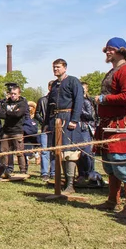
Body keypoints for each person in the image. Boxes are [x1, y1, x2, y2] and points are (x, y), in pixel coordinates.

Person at [93, 37, 126, 217]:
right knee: (110, 166)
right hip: (108, 125)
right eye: (106, 49)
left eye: (111, 49)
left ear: (121, 50)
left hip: (120, 123)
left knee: (123, 164)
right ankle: (112, 200)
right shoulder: (113, 71)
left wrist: (104, 99)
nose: (107, 52)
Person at [45, 59, 85, 194]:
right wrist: (46, 123)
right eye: (54, 67)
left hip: (68, 119)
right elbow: (49, 106)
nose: (55, 69)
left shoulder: (73, 81)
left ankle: (70, 184)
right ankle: (62, 181)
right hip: (55, 120)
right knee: (59, 152)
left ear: (65, 68)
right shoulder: (55, 85)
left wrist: (74, 120)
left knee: (70, 152)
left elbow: (79, 101)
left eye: (58, 67)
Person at [0, 85, 28, 178]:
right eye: (11, 94)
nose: (13, 95)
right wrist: (13, 113)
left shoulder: (23, 103)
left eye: (15, 94)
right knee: (3, 152)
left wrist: (8, 113)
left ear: (19, 94)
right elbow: (1, 115)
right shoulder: (6, 102)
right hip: (6, 131)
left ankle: (23, 171)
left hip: (17, 131)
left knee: (19, 152)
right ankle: (3, 170)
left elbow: (19, 114)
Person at [78, 82, 97, 184]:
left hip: (85, 128)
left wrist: (79, 109)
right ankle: (81, 174)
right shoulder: (76, 101)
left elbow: (91, 116)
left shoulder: (87, 102)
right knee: (78, 153)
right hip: (77, 129)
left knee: (87, 153)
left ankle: (90, 173)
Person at [36, 80, 55, 181]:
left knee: (54, 151)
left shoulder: (59, 100)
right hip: (45, 128)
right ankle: (44, 173)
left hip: (56, 129)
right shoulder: (42, 100)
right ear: (49, 87)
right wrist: (44, 121)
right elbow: (37, 113)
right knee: (44, 151)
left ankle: (53, 172)